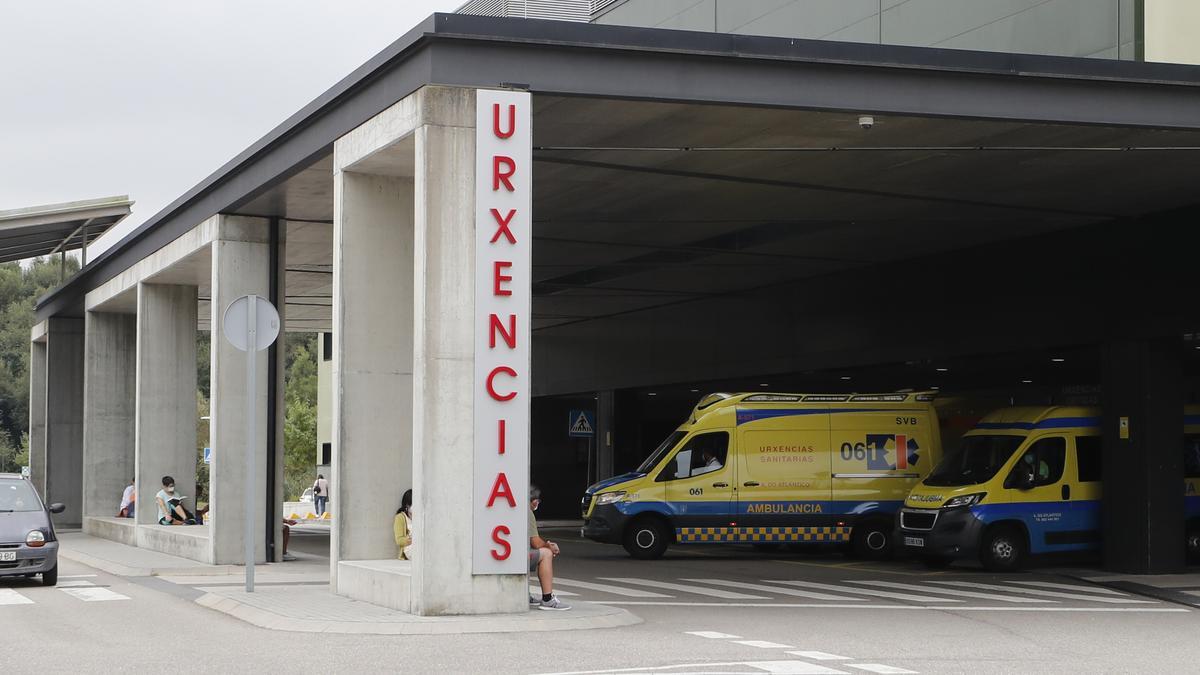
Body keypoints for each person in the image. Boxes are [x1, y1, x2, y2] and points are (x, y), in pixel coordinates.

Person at [528, 485, 570, 611]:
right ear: (534, 501)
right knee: (546, 554)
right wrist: (549, 546)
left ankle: (524, 594)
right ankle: (547, 599)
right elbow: (535, 542)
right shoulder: (527, 512)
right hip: (516, 556)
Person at [394, 489, 413, 561]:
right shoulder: (400, 518)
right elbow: (399, 540)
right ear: (407, 505)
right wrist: (416, 540)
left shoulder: (421, 517)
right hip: (410, 548)